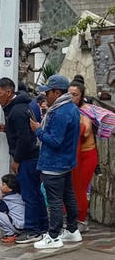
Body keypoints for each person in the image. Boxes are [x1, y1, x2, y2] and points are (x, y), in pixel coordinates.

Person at [0, 77, 48, 244]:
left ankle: (32, 230)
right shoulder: (22, 106)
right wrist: (6, 129)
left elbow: (25, 139)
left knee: (29, 195)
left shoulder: (16, 111)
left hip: (27, 158)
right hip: (31, 157)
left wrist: (16, 160)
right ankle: (43, 226)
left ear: (9, 92)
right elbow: (22, 131)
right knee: (36, 194)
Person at [30, 74, 82, 250]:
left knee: (55, 201)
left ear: (57, 92)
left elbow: (55, 141)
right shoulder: (72, 108)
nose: (46, 96)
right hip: (66, 162)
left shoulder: (59, 112)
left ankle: (54, 236)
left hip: (54, 164)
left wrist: (38, 130)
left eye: (48, 93)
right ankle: (73, 230)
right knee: (68, 196)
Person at [68, 78, 98, 232]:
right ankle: (71, 218)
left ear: (81, 96)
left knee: (79, 188)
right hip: (74, 154)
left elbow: (85, 131)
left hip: (86, 155)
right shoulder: (67, 109)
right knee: (71, 188)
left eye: (75, 94)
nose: (72, 97)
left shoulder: (85, 109)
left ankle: (81, 220)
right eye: (69, 94)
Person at [0, 173, 25, 243]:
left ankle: (11, 235)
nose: (1, 186)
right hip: (26, 227)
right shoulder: (20, 196)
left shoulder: (6, 199)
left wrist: (1, 200)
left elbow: (1, 211)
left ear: (10, 187)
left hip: (17, 227)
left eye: (3, 184)